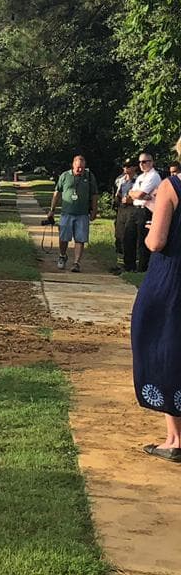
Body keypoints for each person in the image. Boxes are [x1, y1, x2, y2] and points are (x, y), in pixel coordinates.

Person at [132, 143, 181, 460]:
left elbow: (157, 241)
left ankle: (175, 439)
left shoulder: (171, 186)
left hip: (171, 277)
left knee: (160, 343)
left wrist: (151, 231)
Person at [46, 152, 98, 272]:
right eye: (78, 167)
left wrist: (94, 210)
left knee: (80, 238)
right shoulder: (65, 176)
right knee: (64, 237)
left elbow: (95, 195)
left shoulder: (89, 176)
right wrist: (52, 210)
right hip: (67, 213)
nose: (80, 169)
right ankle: (62, 255)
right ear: (73, 165)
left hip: (82, 214)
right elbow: (57, 193)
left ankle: (76, 263)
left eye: (82, 167)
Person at [123, 150, 162, 274]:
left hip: (146, 210)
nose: (142, 164)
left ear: (151, 162)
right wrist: (138, 195)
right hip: (136, 208)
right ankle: (129, 266)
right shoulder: (140, 177)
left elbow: (140, 193)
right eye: (140, 162)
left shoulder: (154, 176)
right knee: (128, 236)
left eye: (145, 162)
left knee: (142, 239)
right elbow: (131, 192)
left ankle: (143, 268)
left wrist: (138, 195)